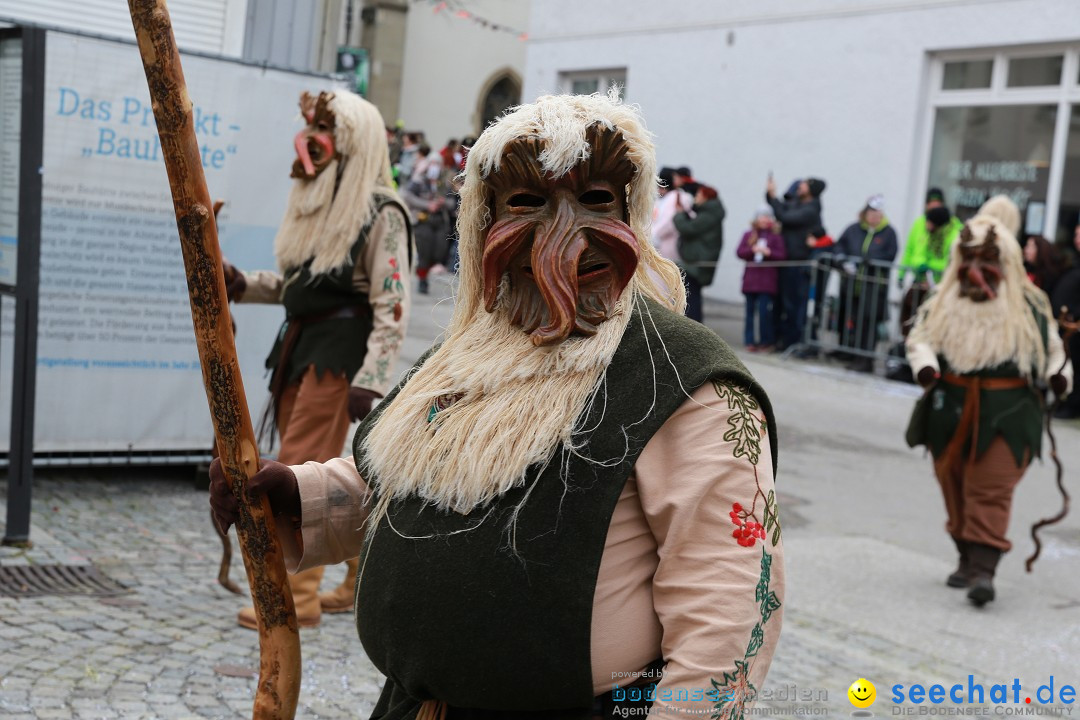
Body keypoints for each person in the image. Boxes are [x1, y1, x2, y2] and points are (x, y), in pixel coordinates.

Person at [210, 92, 783, 720]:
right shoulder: (469, 350)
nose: (563, 235)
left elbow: (725, 616)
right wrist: (295, 494)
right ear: (484, 222)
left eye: (595, 200)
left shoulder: (681, 378)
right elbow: (400, 489)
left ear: (633, 213)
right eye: (527, 202)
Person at [220, 90, 412, 629]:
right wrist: (245, 284)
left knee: (300, 468)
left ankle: (296, 600)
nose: (310, 142)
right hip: (299, 351)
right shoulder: (325, 207)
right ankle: (355, 579)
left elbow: (391, 301)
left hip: (337, 359)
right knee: (315, 462)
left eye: (324, 129)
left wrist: (371, 378)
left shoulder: (382, 211)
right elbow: (301, 287)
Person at [905, 195, 1072, 606]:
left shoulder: (1029, 304)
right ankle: (965, 556)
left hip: (1009, 410)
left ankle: (984, 568)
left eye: (989, 262)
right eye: (970, 261)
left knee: (990, 487)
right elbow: (920, 339)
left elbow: (1053, 349)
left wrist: (1059, 376)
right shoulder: (944, 303)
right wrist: (925, 366)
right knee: (954, 483)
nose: (978, 273)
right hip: (951, 404)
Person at [833, 195, 898, 373]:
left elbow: (890, 255)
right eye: (871, 213)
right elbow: (840, 246)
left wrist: (871, 260)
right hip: (853, 286)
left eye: (878, 213)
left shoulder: (888, 233)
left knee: (869, 323)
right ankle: (853, 355)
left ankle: (866, 359)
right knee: (854, 320)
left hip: (874, 288)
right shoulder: (854, 229)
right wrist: (843, 261)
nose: (874, 217)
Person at [766, 176, 826, 353]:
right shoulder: (798, 204)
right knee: (779, 304)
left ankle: (792, 342)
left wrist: (774, 199)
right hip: (786, 261)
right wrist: (770, 195)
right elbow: (782, 209)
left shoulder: (811, 209)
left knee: (793, 305)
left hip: (797, 264)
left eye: (805, 184)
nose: (800, 186)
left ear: (812, 190)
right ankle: (779, 340)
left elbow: (785, 216)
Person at [673, 182, 725, 322]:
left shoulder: (709, 215)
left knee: (692, 300)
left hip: (697, 266)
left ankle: (694, 329)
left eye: (698, 195)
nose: (695, 197)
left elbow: (688, 229)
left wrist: (679, 215)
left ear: (705, 197)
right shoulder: (708, 214)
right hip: (695, 264)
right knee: (691, 297)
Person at [736, 206, 786, 351]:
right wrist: (752, 250)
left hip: (767, 282)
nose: (764, 219)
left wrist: (769, 252)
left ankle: (765, 341)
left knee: (765, 313)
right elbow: (740, 252)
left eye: (767, 217)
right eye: (762, 216)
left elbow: (782, 256)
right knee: (749, 313)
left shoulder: (776, 237)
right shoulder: (749, 234)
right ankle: (749, 341)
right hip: (750, 281)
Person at [401, 159, 452, 294]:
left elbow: (453, 202)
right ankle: (422, 280)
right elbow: (407, 196)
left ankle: (428, 271)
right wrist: (426, 205)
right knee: (424, 252)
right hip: (423, 221)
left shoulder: (444, 184)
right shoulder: (418, 182)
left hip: (440, 222)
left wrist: (444, 202)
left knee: (439, 251)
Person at [899, 188, 964, 286]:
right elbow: (911, 250)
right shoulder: (919, 224)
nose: (934, 205)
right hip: (921, 279)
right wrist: (902, 274)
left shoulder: (953, 229)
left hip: (942, 282)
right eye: (931, 202)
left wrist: (930, 267)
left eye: (937, 202)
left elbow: (951, 259)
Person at [1051, 224, 1080, 419]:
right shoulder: (1073, 261)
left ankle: (1072, 406)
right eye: (1076, 234)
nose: (1077, 238)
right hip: (1067, 326)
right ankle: (1064, 402)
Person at [651, 167, 695, 263]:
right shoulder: (663, 199)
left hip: (668, 246)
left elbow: (669, 221)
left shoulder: (677, 197)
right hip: (659, 246)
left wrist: (653, 236)